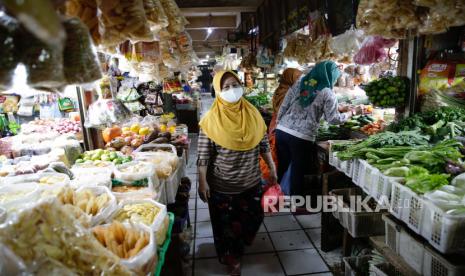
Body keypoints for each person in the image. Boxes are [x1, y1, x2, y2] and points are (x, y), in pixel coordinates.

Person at [197, 70, 277, 275]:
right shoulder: (210, 121)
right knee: (227, 229)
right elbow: (204, 155)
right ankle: (233, 260)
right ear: (217, 91)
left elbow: (264, 143)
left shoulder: (253, 113)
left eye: (235, 84)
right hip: (222, 186)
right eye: (225, 87)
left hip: (251, 182)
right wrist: (202, 182)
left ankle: (240, 244)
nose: (232, 90)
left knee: (254, 216)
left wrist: (272, 167)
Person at [276, 61, 360, 196]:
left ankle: (278, 195)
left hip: (282, 131)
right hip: (301, 137)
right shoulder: (328, 92)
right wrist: (351, 113)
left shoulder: (301, 82)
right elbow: (333, 119)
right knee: (298, 171)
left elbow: (284, 105)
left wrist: (279, 124)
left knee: (283, 166)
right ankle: (296, 202)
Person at [259, 68, 302, 184]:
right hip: (283, 127)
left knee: (280, 159)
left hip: (277, 125)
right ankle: (281, 187)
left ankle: (279, 185)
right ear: (290, 78)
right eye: (297, 78)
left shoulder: (280, 90)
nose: (300, 80)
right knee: (282, 160)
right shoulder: (289, 92)